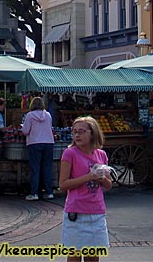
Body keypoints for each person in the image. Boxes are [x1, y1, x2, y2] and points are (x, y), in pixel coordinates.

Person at [59, 116, 113, 262]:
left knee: (93, 258)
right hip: (76, 213)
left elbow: (109, 185)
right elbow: (63, 184)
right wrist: (89, 176)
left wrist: (101, 177)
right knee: (75, 257)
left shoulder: (101, 154)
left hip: (96, 213)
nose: (77, 135)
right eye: (74, 132)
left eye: (81, 131)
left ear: (92, 133)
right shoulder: (70, 153)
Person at [21, 96, 55, 201]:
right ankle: (49, 192)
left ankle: (34, 193)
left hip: (35, 143)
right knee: (47, 168)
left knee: (35, 168)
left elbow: (25, 131)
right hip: (49, 142)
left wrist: (22, 127)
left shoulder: (30, 115)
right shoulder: (48, 114)